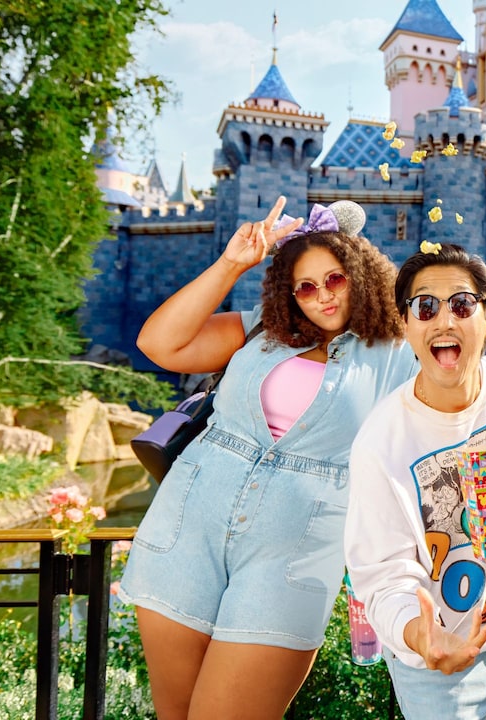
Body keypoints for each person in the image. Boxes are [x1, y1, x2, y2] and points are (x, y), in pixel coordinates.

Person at [118, 197, 418, 720]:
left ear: (361, 273)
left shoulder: (398, 351)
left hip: (292, 559)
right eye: (306, 286)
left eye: (335, 279)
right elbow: (159, 343)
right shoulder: (261, 331)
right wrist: (233, 261)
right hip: (187, 534)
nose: (322, 295)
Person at [344, 243, 486, 720]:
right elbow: (381, 578)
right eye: (425, 307)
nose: (445, 321)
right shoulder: (379, 444)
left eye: (462, 305)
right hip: (435, 664)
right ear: (406, 325)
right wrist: (421, 636)